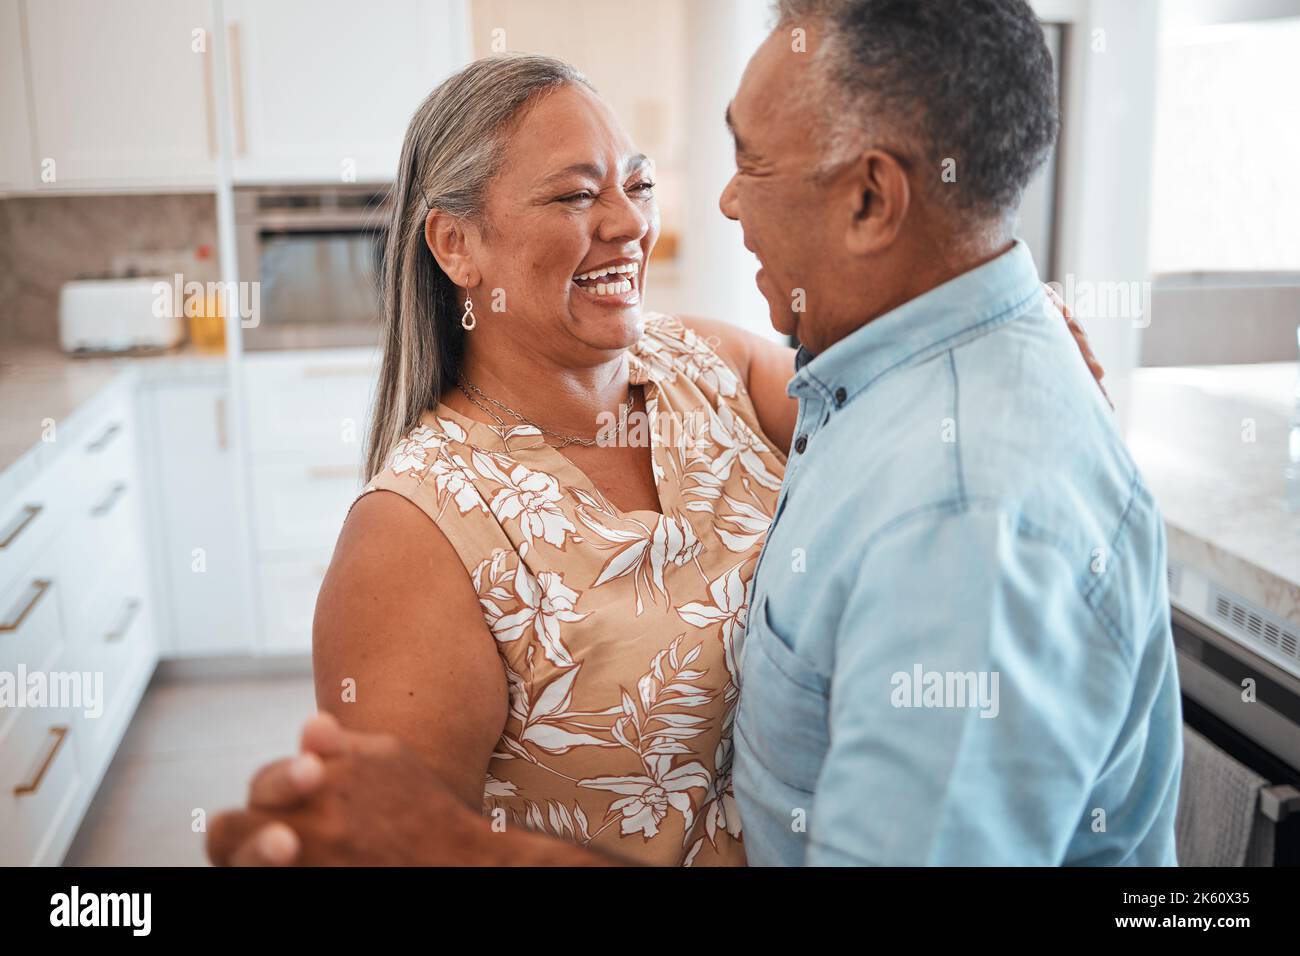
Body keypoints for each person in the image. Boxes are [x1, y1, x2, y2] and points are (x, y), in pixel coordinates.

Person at [206, 0, 1157, 869]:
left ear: (871, 199)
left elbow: (893, 376)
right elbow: (389, 846)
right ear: (458, 245)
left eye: (637, 182)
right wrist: (991, 308)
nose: (633, 224)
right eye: (576, 196)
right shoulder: (413, 539)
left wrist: (1000, 306)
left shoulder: (714, 369)